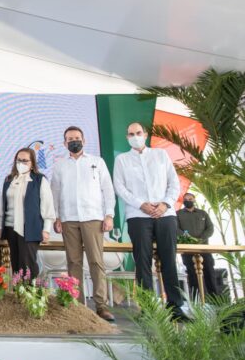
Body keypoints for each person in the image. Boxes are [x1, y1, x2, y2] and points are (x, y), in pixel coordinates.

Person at [114, 122, 186, 320]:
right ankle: (148, 309)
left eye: (138, 133)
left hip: (165, 215)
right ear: (127, 137)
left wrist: (165, 204)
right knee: (142, 262)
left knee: (169, 260)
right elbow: (120, 187)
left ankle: (176, 308)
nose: (135, 136)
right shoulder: (122, 159)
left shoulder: (161, 155)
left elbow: (174, 183)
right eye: (131, 134)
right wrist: (141, 204)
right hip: (138, 216)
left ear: (145, 134)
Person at [51, 126, 116, 321]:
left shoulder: (97, 162)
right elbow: (55, 192)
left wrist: (109, 215)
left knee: (96, 261)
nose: (74, 141)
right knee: (73, 262)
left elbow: (108, 189)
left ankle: (101, 305)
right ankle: (76, 306)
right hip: (69, 218)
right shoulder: (60, 165)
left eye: (77, 138)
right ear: (65, 143)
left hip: (93, 217)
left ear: (84, 140)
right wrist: (56, 217)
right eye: (70, 139)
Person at [0, 148, 55, 279]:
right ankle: (18, 290)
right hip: (10, 228)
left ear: (32, 163)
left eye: (25, 161)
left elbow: (48, 206)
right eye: (19, 160)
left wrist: (46, 229)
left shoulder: (40, 180)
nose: (21, 163)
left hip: (30, 229)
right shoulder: (9, 180)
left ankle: (30, 290)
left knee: (28, 265)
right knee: (16, 265)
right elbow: (2, 205)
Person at [177, 192, 219, 299]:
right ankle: (197, 301)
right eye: (186, 199)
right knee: (192, 275)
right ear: (183, 201)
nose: (188, 201)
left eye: (190, 199)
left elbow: (210, 228)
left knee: (209, 272)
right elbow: (176, 229)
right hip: (187, 249)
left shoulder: (202, 213)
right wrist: (189, 239)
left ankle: (215, 300)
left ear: (194, 200)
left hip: (204, 248)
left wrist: (200, 239)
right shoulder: (178, 214)